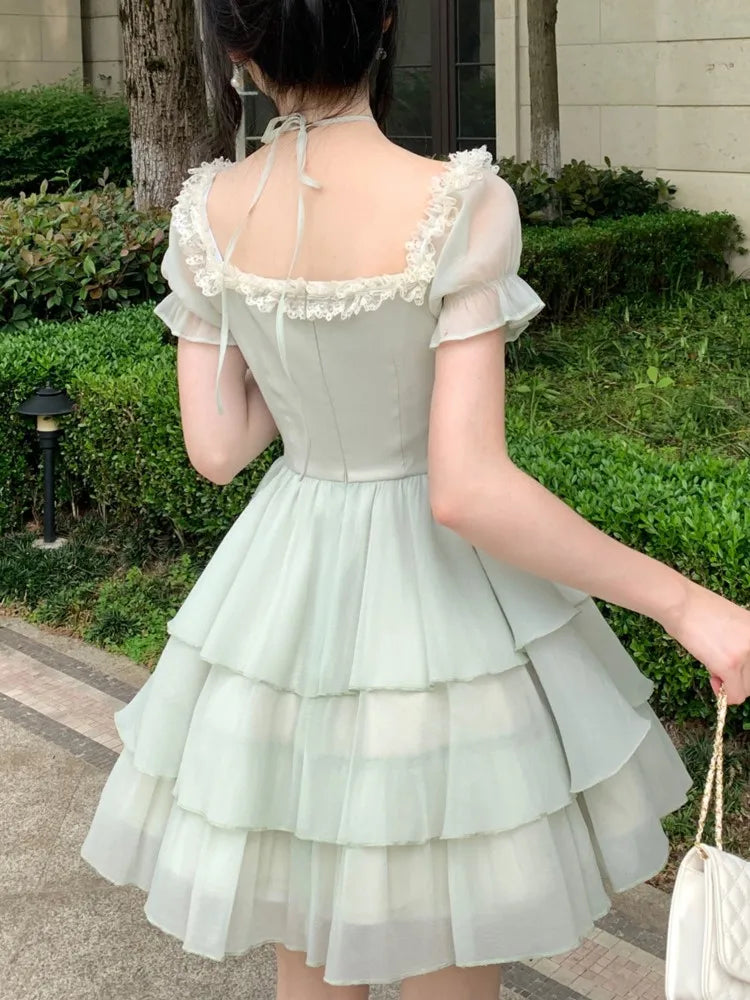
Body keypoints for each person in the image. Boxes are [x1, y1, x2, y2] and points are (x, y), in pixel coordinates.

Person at [80, 1, 750, 998]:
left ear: (238, 47)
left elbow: (218, 450)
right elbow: (466, 487)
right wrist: (689, 605)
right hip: (435, 611)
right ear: (386, 20)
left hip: (285, 595)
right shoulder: (457, 203)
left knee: (308, 936)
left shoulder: (207, 211)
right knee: (444, 925)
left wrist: (288, 345)